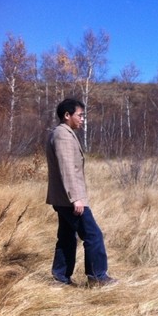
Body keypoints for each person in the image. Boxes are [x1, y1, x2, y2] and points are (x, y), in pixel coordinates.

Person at [45, 98, 118, 287]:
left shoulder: (63, 133)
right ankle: (97, 277)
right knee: (93, 235)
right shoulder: (63, 135)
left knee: (67, 237)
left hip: (62, 199)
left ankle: (61, 277)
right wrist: (76, 198)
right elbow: (67, 168)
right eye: (80, 115)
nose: (82, 119)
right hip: (70, 199)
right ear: (67, 115)